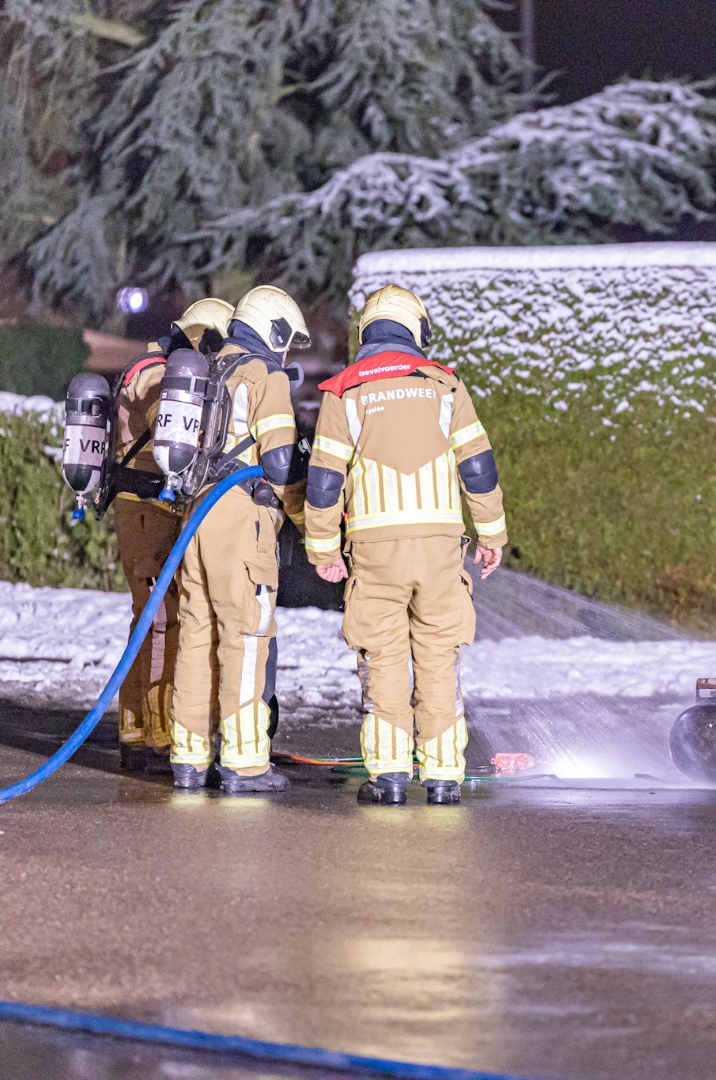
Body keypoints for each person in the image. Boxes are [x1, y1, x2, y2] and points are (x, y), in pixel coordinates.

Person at [304, 285, 506, 807]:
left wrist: (323, 551)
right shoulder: (444, 386)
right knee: (439, 660)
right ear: (416, 330)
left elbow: (325, 481)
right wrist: (491, 536)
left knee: (384, 661)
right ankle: (443, 779)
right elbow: (478, 467)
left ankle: (390, 777)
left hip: (375, 553)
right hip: (440, 551)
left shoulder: (344, 392)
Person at [167, 285, 308, 794]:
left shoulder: (209, 369)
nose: (287, 353)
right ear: (274, 330)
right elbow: (278, 462)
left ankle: (188, 757)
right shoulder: (264, 374)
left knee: (196, 637)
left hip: (195, 518)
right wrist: (304, 518)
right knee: (245, 637)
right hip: (240, 520)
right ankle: (246, 763)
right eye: (288, 341)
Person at [112, 298, 233, 774]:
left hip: (140, 507)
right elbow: (176, 434)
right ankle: (160, 733)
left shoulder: (147, 366)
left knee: (147, 620)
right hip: (151, 509)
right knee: (164, 620)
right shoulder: (161, 376)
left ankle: (136, 728)